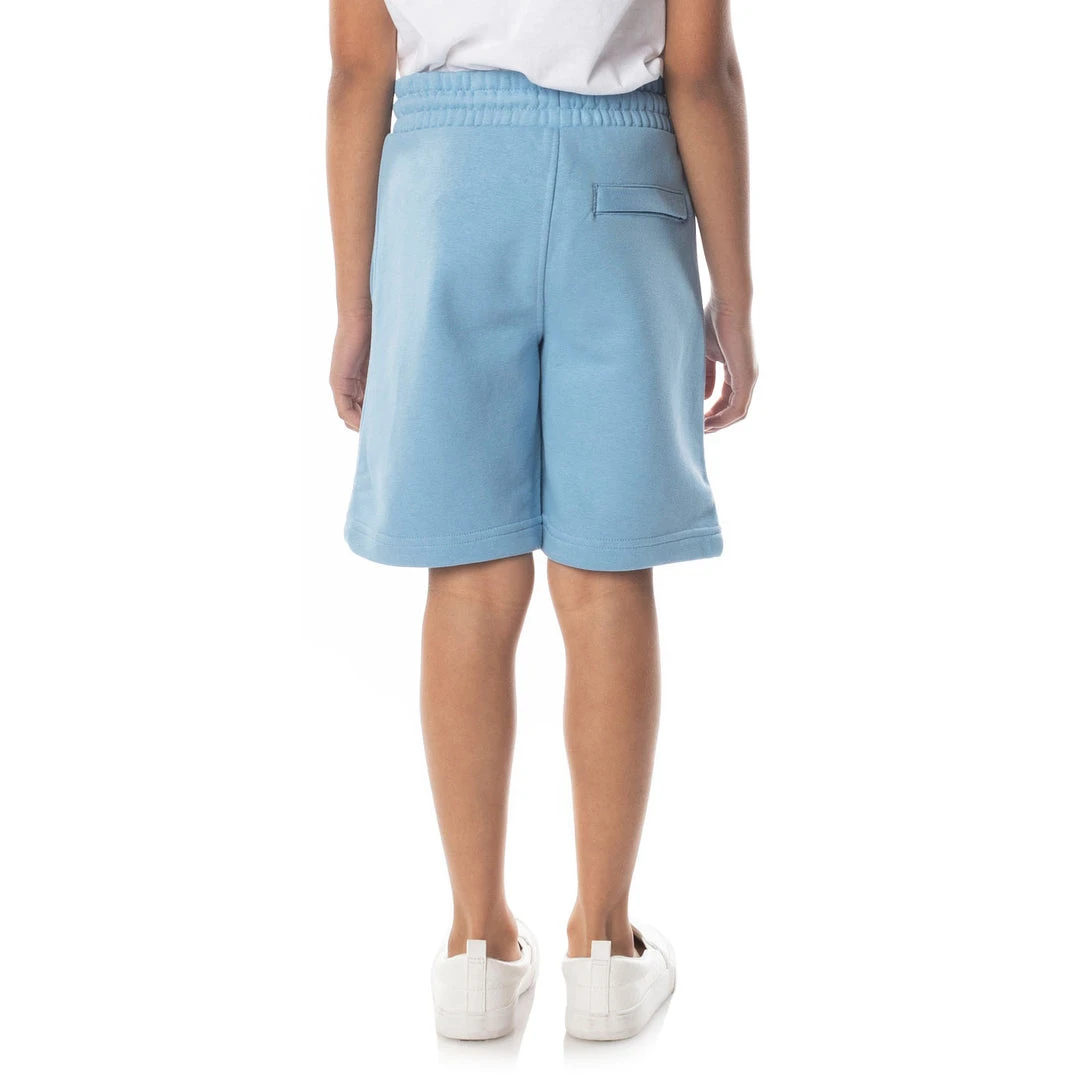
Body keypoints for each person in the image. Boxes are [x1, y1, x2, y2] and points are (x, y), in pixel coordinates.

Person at [326, 0, 757, 1042]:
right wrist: (736, 300)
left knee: (471, 574)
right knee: (604, 575)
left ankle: (475, 946)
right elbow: (700, 75)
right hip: (622, 182)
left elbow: (358, 72)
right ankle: (605, 948)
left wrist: (355, 303)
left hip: (445, 187)